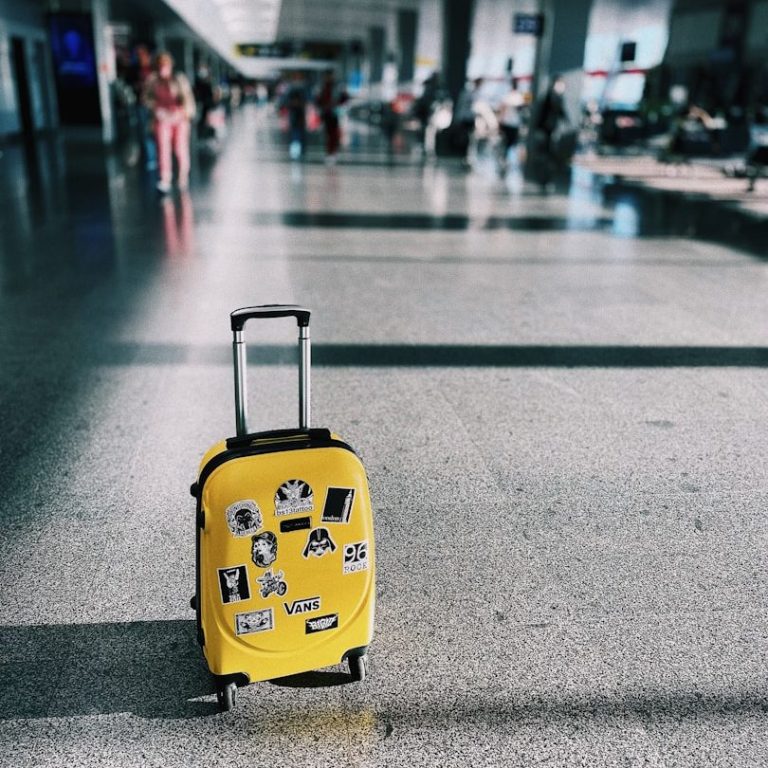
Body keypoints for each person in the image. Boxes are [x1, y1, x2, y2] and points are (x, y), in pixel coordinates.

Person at [143, 52, 196, 194]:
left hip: (179, 118)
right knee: (163, 149)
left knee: (180, 149)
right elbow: (146, 98)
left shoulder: (179, 79)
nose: (162, 70)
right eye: (160, 67)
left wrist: (184, 113)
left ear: (170, 66)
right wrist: (156, 108)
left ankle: (183, 176)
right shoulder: (153, 81)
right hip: (162, 118)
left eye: (165, 66)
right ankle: (165, 179)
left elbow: (188, 100)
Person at [316, 70, 347, 162]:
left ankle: (333, 152)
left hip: (334, 114)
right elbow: (318, 101)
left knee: (334, 134)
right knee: (329, 134)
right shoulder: (323, 88)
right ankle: (330, 152)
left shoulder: (337, 87)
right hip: (326, 114)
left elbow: (344, 98)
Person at [496, 77, 523, 175]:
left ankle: (507, 160)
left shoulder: (510, 96)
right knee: (510, 143)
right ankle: (507, 160)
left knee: (510, 143)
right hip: (511, 124)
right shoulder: (517, 97)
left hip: (510, 123)